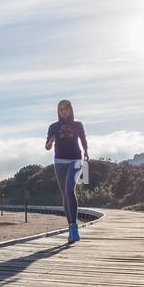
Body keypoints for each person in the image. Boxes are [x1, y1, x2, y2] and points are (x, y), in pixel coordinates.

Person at [45, 99, 88, 243]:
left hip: (75, 160)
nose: (64, 111)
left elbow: (83, 139)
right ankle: (71, 226)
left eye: (66, 109)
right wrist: (50, 142)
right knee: (65, 194)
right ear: (58, 111)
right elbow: (47, 146)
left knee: (70, 190)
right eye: (61, 109)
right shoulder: (53, 127)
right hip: (59, 162)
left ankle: (74, 226)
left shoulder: (77, 125)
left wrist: (86, 153)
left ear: (71, 110)